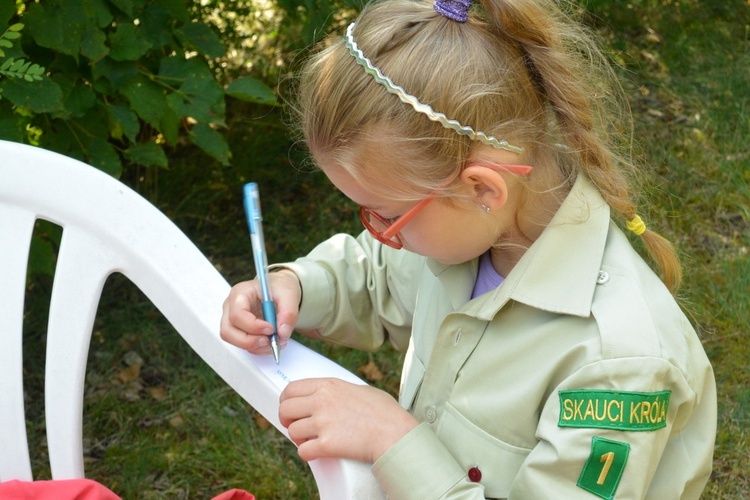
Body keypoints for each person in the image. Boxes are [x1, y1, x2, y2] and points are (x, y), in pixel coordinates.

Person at [220, 0, 716, 497]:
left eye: (388, 217)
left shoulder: (615, 369)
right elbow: (377, 276)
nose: (379, 234)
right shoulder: (472, 234)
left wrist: (392, 439)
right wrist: (297, 287)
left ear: (482, 190)